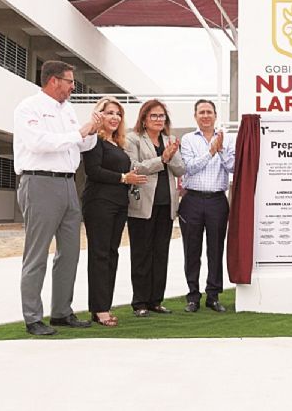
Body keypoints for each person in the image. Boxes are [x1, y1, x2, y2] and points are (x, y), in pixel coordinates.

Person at [13, 60, 99, 336]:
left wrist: (92, 132)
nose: (73, 86)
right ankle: (33, 317)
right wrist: (78, 133)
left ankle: (62, 312)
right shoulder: (29, 108)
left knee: (70, 253)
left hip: (68, 184)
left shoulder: (69, 110)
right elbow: (39, 142)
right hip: (39, 182)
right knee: (36, 254)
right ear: (53, 80)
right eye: (70, 81)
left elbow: (80, 144)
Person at [81, 97, 147, 326]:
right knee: (99, 254)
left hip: (119, 204)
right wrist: (122, 178)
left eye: (118, 114)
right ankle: (99, 309)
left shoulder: (119, 143)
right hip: (99, 203)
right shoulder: (93, 140)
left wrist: (130, 180)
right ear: (99, 115)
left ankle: (104, 305)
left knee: (112, 253)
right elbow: (93, 170)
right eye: (109, 113)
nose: (114, 117)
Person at [125, 99, 185, 317]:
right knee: (141, 254)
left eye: (162, 116)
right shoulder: (133, 139)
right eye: (154, 116)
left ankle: (155, 300)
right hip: (142, 206)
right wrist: (162, 158)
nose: (159, 120)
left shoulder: (169, 139)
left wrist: (171, 155)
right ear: (144, 118)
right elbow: (134, 168)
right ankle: (139, 302)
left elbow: (180, 170)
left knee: (161, 254)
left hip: (166, 206)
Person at [178, 99, 235, 313]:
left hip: (217, 201)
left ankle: (213, 295)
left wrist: (220, 150)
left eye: (209, 112)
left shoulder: (227, 139)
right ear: (195, 116)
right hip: (192, 200)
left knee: (215, 249)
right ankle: (193, 297)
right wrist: (211, 151)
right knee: (192, 250)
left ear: (215, 115)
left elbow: (233, 167)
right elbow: (189, 168)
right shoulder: (188, 139)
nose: (205, 115)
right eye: (201, 112)